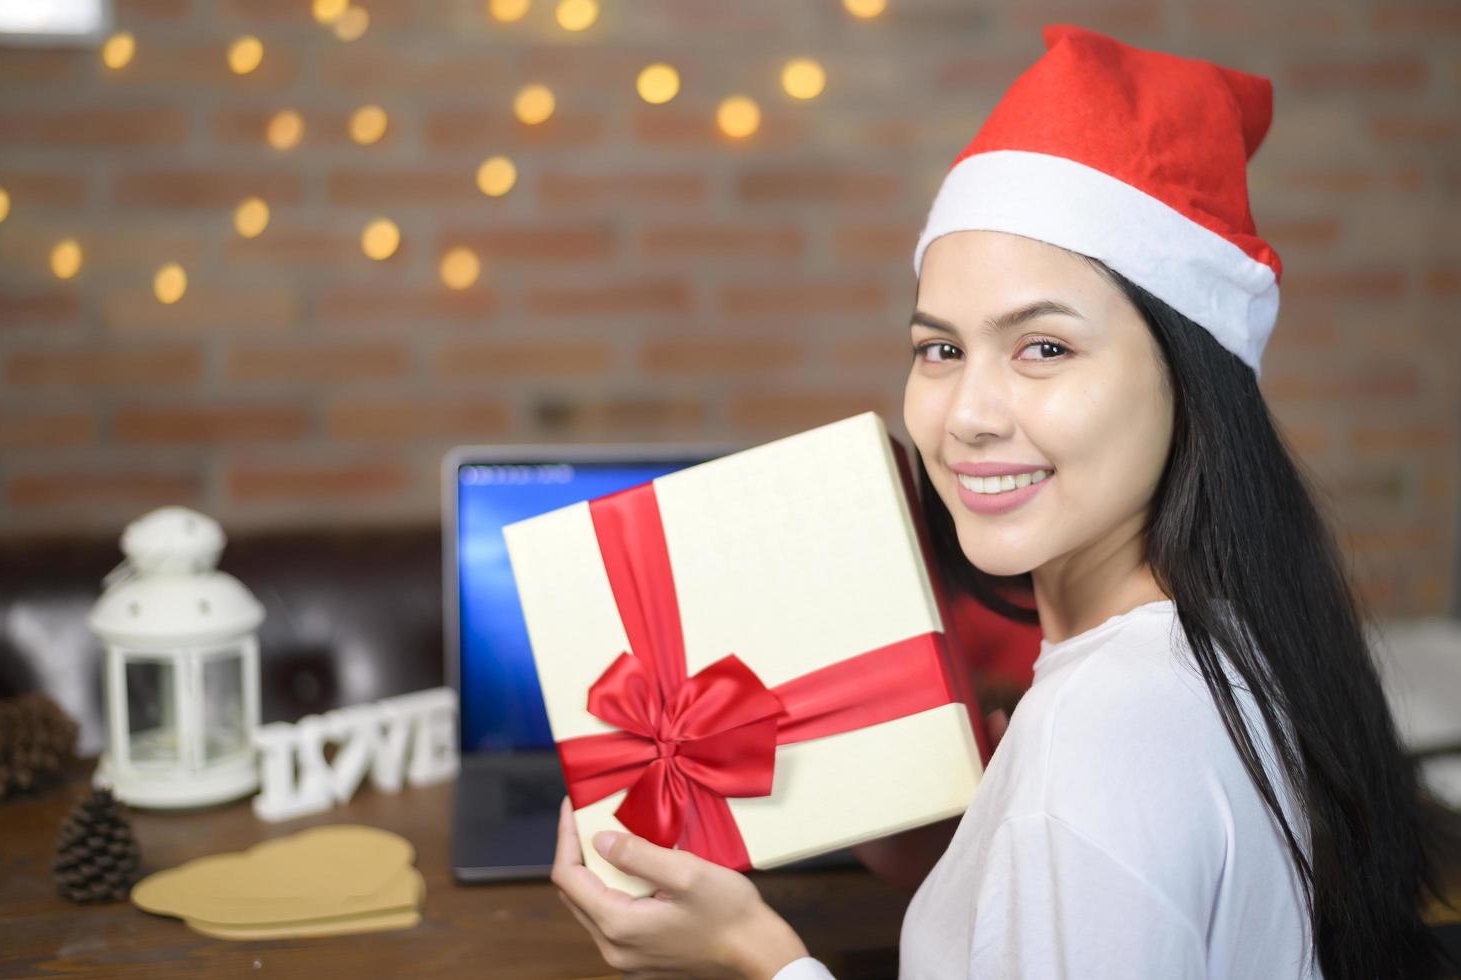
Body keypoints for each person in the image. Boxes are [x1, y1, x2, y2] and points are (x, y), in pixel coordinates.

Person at [549, 23, 1458, 979]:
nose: (967, 416)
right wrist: (971, 844)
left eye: (1044, 348)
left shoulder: (1097, 732)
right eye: (940, 349)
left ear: (1193, 381)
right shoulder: (1231, 636)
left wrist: (752, 954)